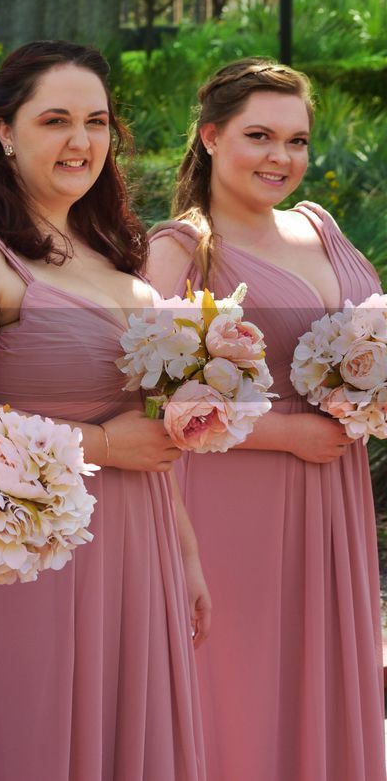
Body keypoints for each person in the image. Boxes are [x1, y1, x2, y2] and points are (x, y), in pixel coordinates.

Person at [0, 40, 208, 781]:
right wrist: (104, 445)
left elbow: (151, 430)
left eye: (97, 121)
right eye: (55, 120)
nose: (82, 141)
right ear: (5, 132)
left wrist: (187, 554)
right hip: (30, 552)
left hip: (139, 543)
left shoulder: (109, 247)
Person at [146, 58, 385, 781]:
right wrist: (285, 431)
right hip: (231, 502)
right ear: (212, 136)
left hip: (333, 494)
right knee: (239, 684)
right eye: (260, 135)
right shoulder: (180, 247)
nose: (283, 157)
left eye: (298, 140)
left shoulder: (319, 222)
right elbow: (146, 397)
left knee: (321, 670)